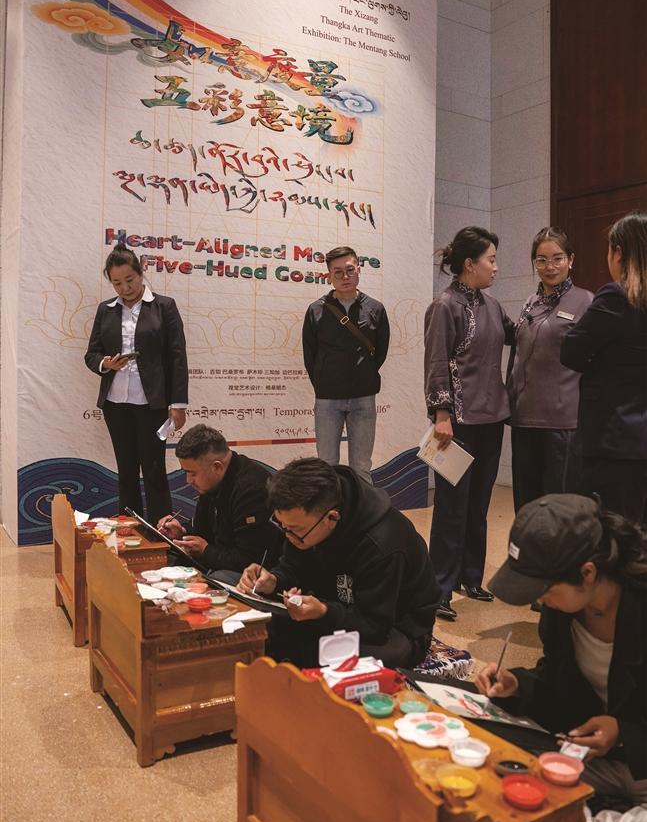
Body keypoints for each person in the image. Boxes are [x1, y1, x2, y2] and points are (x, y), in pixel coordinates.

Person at [477, 493, 647, 822]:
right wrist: (518, 685)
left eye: (545, 589)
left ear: (587, 573)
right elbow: (561, 690)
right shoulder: (562, 612)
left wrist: (625, 732)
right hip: (600, 760)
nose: (540, 600)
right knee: (506, 771)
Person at [237, 457, 440, 668]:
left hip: (395, 628)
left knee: (325, 657)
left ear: (332, 518)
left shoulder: (382, 543)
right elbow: (292, 567)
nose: (288, 535)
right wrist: (274, 581)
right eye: (282, 526)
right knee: (251, 620)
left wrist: (324, 612)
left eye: (294, 530)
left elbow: (374, 625)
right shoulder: (306, 521)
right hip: (333, 608)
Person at [424, 226, 514, 621]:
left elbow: (517, 335)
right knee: (451, 508)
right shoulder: (444, 305)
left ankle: (470, 577)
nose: (495, 267)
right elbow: (436, 360)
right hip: (456, 423)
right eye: (490, 260)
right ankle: (439, 588)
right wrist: (441, 414)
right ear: (469, 264)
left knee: (478, 504)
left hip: (493, 418)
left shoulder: (493, 305)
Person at [85, 245, 188, 524]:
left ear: (141, 273)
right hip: (115, 403)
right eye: (117, 283)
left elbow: (177, 357)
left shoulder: (164, 306)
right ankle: (130, 530)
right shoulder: (106, 310)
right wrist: (106, 363)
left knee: (154, 470)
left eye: (129, 279)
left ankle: (162, 530)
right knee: (126, 470)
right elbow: (91, 354)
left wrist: (178, 404)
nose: (125, 288)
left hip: (151, 403)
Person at [561, 212, 647, 523]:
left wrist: (600, 358)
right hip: (641, 439)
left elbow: (571, 352)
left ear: (618, 252)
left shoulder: (616, 296)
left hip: (612, 439)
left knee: (609, 530)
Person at [508, 227, 592, 511]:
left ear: (571, 260)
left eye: (557, 258)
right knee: (526, 506)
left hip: (563, 423)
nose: (550, 267)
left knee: (558, 509)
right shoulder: (529, 304)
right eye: (542, 260)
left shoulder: (586, 301)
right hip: (524, 419)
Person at [302, 246, 390, 484]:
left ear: (358, 270)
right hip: (327, 400)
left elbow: (380, 352)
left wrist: (365, 374)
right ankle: (330, 507)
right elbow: (310, 355)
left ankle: (362, 508)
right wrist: (324, 381)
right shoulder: (316, 310)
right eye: (338, 272)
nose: (345, 277)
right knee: (327, 465)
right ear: (329, 276)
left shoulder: (375, 308)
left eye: (350, 270)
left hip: (364, 397)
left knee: (361, 466)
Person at [158, 425, 282, 579]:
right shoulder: (212, 482)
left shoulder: (252, 490)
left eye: (192, 473)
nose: (188, 480)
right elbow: (203, 529)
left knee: (218, 578)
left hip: (253, 575)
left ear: (216, 467)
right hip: (218, 561)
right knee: (165, 561)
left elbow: (250, 560)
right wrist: (182, 531)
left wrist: (206, 551)